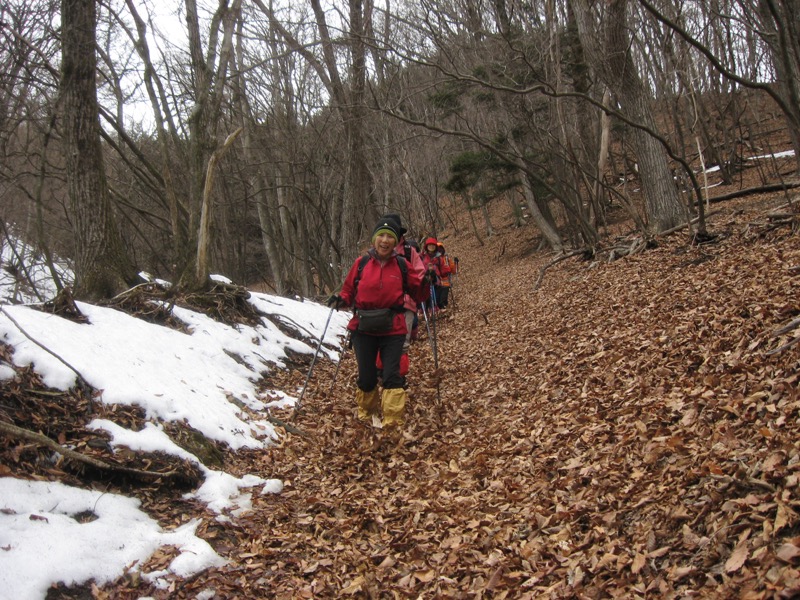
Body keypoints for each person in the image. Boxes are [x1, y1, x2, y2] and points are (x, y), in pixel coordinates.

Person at [328, 218, 429, 440]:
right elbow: (348, 291)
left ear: (395, 241)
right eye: (381, 236)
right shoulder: (362, 263)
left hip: (393, 328)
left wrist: (426, 282)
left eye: (390, 237)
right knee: (366, 377)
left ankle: (392, 422)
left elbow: (419, 295)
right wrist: (340, 299)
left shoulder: (402, 265)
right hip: (363, 329)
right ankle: (367, 414)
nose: (385, 240)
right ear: (374, 239)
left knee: (392, 375)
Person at [421, 236, 450, 314]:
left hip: (436, 278)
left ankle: (435, 307)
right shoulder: (422, 256)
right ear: (426, 246)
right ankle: (426, 309)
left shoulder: (439, 258)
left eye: (433, 245)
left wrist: (447, 271)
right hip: (425, 277)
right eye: (429, 245)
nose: (431, 247)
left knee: (438, 290)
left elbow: (443, 269)